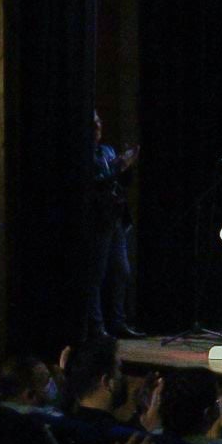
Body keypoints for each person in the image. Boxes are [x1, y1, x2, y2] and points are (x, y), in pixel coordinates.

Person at [88, 109, 143, 341]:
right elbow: (96, 179)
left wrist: (128, 166)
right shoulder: (84, 153)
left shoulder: (106, 150)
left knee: (121, 271)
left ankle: (118, 322)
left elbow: (121, 181)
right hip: (97, 220)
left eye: (99, 123)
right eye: (93, 124)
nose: (98, 127)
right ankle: (96, 327)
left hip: (115, 219)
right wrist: (118, 166)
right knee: (96, 275)